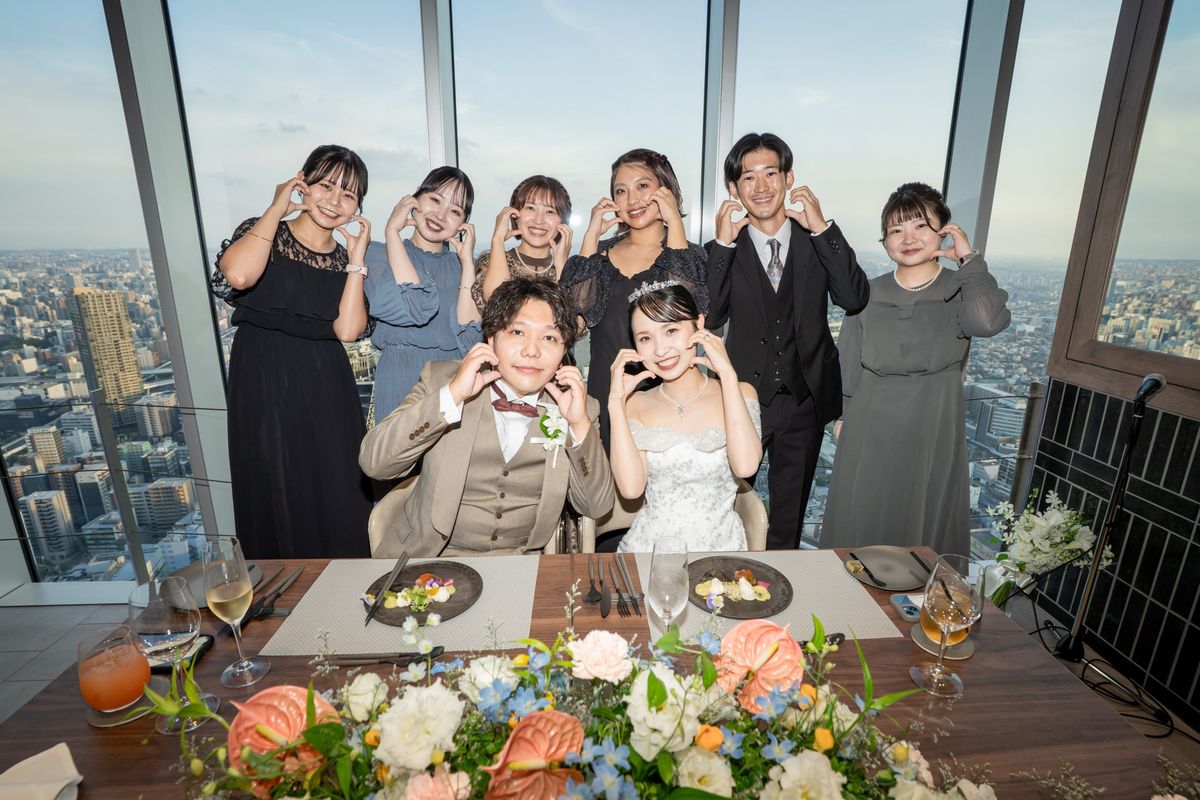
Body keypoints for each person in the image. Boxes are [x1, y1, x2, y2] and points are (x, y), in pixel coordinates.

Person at [359, 277, 615, 556]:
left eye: (549, 338)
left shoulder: (579, 407)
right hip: (426, 557)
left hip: (518, 564)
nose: (532, 351)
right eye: (517, 332)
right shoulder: (442, 380)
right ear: (491, 339)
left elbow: (596, 506)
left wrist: (578, 426)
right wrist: (452, 397)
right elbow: (375, 464)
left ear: (564, 350)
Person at [822, 182, 1011, 555]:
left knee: (921, 529)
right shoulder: (867, 292)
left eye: (920, 226)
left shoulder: (962, 287)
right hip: (869, 424)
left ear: (943, 231)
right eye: (896, 229)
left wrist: (969, 260)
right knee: (862, 519)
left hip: (933, 423)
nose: (908, 238)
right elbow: (848, 359)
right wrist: (841, 417)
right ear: (885, 240)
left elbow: (987, 322)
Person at [705, 132, 870, 550]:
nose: (760, 186)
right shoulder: (723, 248)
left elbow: (853, 298)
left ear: (788, 178)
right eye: (748, 177)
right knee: (720, 501)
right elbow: (711, 317)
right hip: (741, 400)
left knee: (789, 515)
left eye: (770, 173)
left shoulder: (818, 241)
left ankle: (778, 583)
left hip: (804, 401)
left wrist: (823, 228)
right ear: (734, 189)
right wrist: (722, 244)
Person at [213, 144, 373, 558]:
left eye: (349, 194)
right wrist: (276, 207)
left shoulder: (344, 259)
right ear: (302, 183)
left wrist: (356, 260)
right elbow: (239, 275)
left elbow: (348, 330)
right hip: (262, 373)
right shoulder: (266, 232)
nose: (334, 200)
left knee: (336, 483)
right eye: (326, 186)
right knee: (274, 480)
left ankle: (342, 586)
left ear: (357, 206)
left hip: (326, 382)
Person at [560, 149, 709, 446]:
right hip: (606, 393)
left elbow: (690, 308)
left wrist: (674, 222)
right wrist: (590, 238)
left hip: (667, 398)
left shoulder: (689, 256)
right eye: (621, 191)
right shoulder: (598, 255)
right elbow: (569, 322)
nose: (632, 199)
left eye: (642, 186)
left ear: (666, 189)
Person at [609, 281, 762, 553]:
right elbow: (631, 490)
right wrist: (615, 404)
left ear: (698, 325)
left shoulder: (741, 392)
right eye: (645, 338)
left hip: (721, 550)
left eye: (671, 331)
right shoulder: (635, 404)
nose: (660, 350)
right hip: (650, 551)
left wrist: (727, 376)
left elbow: (746, 467)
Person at [363, 167, 483, 422]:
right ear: (415, 197)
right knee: (398, 446)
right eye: (435, 200)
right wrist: (392, 233)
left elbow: (472, 340)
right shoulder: (377, 255)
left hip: (453, 382)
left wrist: (467, 265)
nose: (440, 215)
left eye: (455, 211)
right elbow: (415, 308)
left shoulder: (463, 267)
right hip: (399, 381)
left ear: (463, 224)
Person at [471, 175, 573, 312]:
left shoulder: (571, 270)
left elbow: (571, 320)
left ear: (563, 222)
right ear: (515, 215)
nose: (538, 220)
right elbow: (495, 301)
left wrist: (562, 268)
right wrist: (497, 239)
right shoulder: (490, 261)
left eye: (550, 211)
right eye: (530, 208)